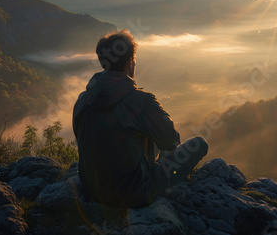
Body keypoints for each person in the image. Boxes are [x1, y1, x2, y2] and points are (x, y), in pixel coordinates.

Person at [73, 30, 208, 209]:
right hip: (133, 194)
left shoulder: (83, 99)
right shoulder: (142, 102)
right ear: (130, 62)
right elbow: (170, 140)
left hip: (92, 189)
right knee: (199, 144)